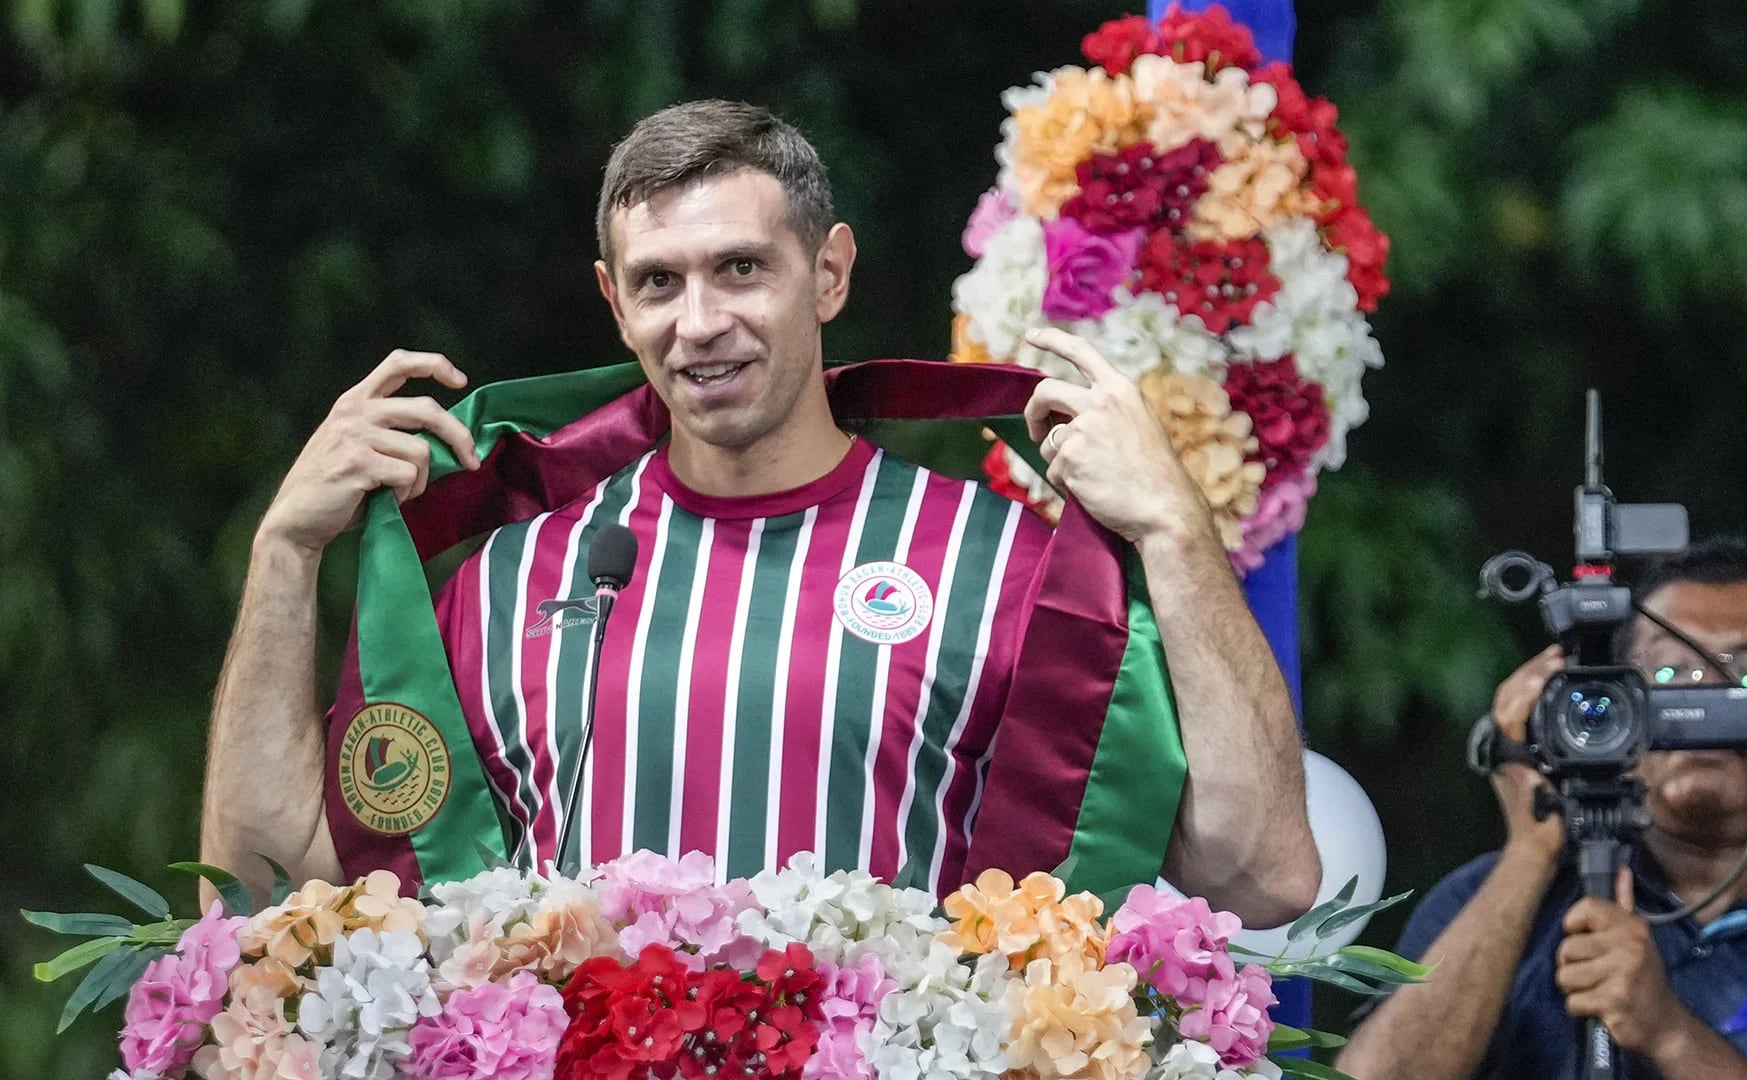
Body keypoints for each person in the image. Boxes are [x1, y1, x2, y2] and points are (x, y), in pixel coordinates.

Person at [198, 100, 1320, 925]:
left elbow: (1260, 874)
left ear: (828, 274)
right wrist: (286, 551)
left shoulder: (1005, 565)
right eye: (658, 282)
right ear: (611, 300)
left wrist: (1174, 531)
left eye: (740, 269)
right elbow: (274, 875)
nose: (699, 322)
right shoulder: (506, 583)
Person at [1337, 538, 1747, 1079]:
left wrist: (1669, 1033)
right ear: (1607, 708)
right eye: (1667, 673)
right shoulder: (1487, 902)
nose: (1706, 695)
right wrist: (1532, 848)